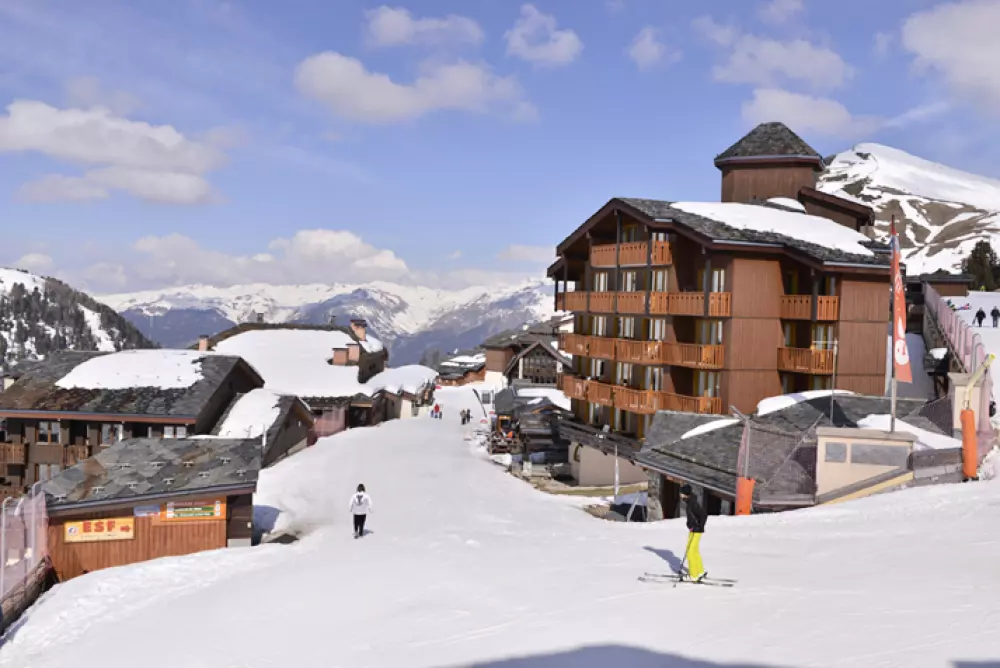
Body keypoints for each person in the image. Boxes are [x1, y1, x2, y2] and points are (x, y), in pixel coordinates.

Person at [680, 484, 708, 582]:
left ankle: (693, 575)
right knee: (694, 550)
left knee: (690, 552)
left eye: (681, 493)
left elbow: (703, 515)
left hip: (696, 531)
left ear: (685, 494)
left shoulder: (693, 503)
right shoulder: (690, 502)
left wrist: (699, 526)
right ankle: (700, 571)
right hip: (693, 530)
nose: (680, 495)